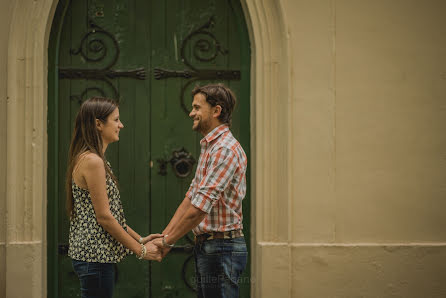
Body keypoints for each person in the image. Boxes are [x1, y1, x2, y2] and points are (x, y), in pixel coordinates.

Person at [153, 84, 248, 297]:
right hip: (209, 247)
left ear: (216, 111)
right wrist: (165, 236)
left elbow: (199, 208)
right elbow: (191, 197)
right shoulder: (211, 147)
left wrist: (166, 242)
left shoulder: (224, 149)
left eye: (197, 107)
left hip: (223, 248)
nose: (191, 113)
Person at [66, 97, 162, 298]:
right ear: (98, 124)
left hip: (93, 258)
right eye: (116, 120)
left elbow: (108, 215)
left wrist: (141, 239)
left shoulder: (92, 159)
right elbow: (104, 217)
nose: (121, 125)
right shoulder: (93, 161)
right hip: (95, 258)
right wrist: (141, 250)